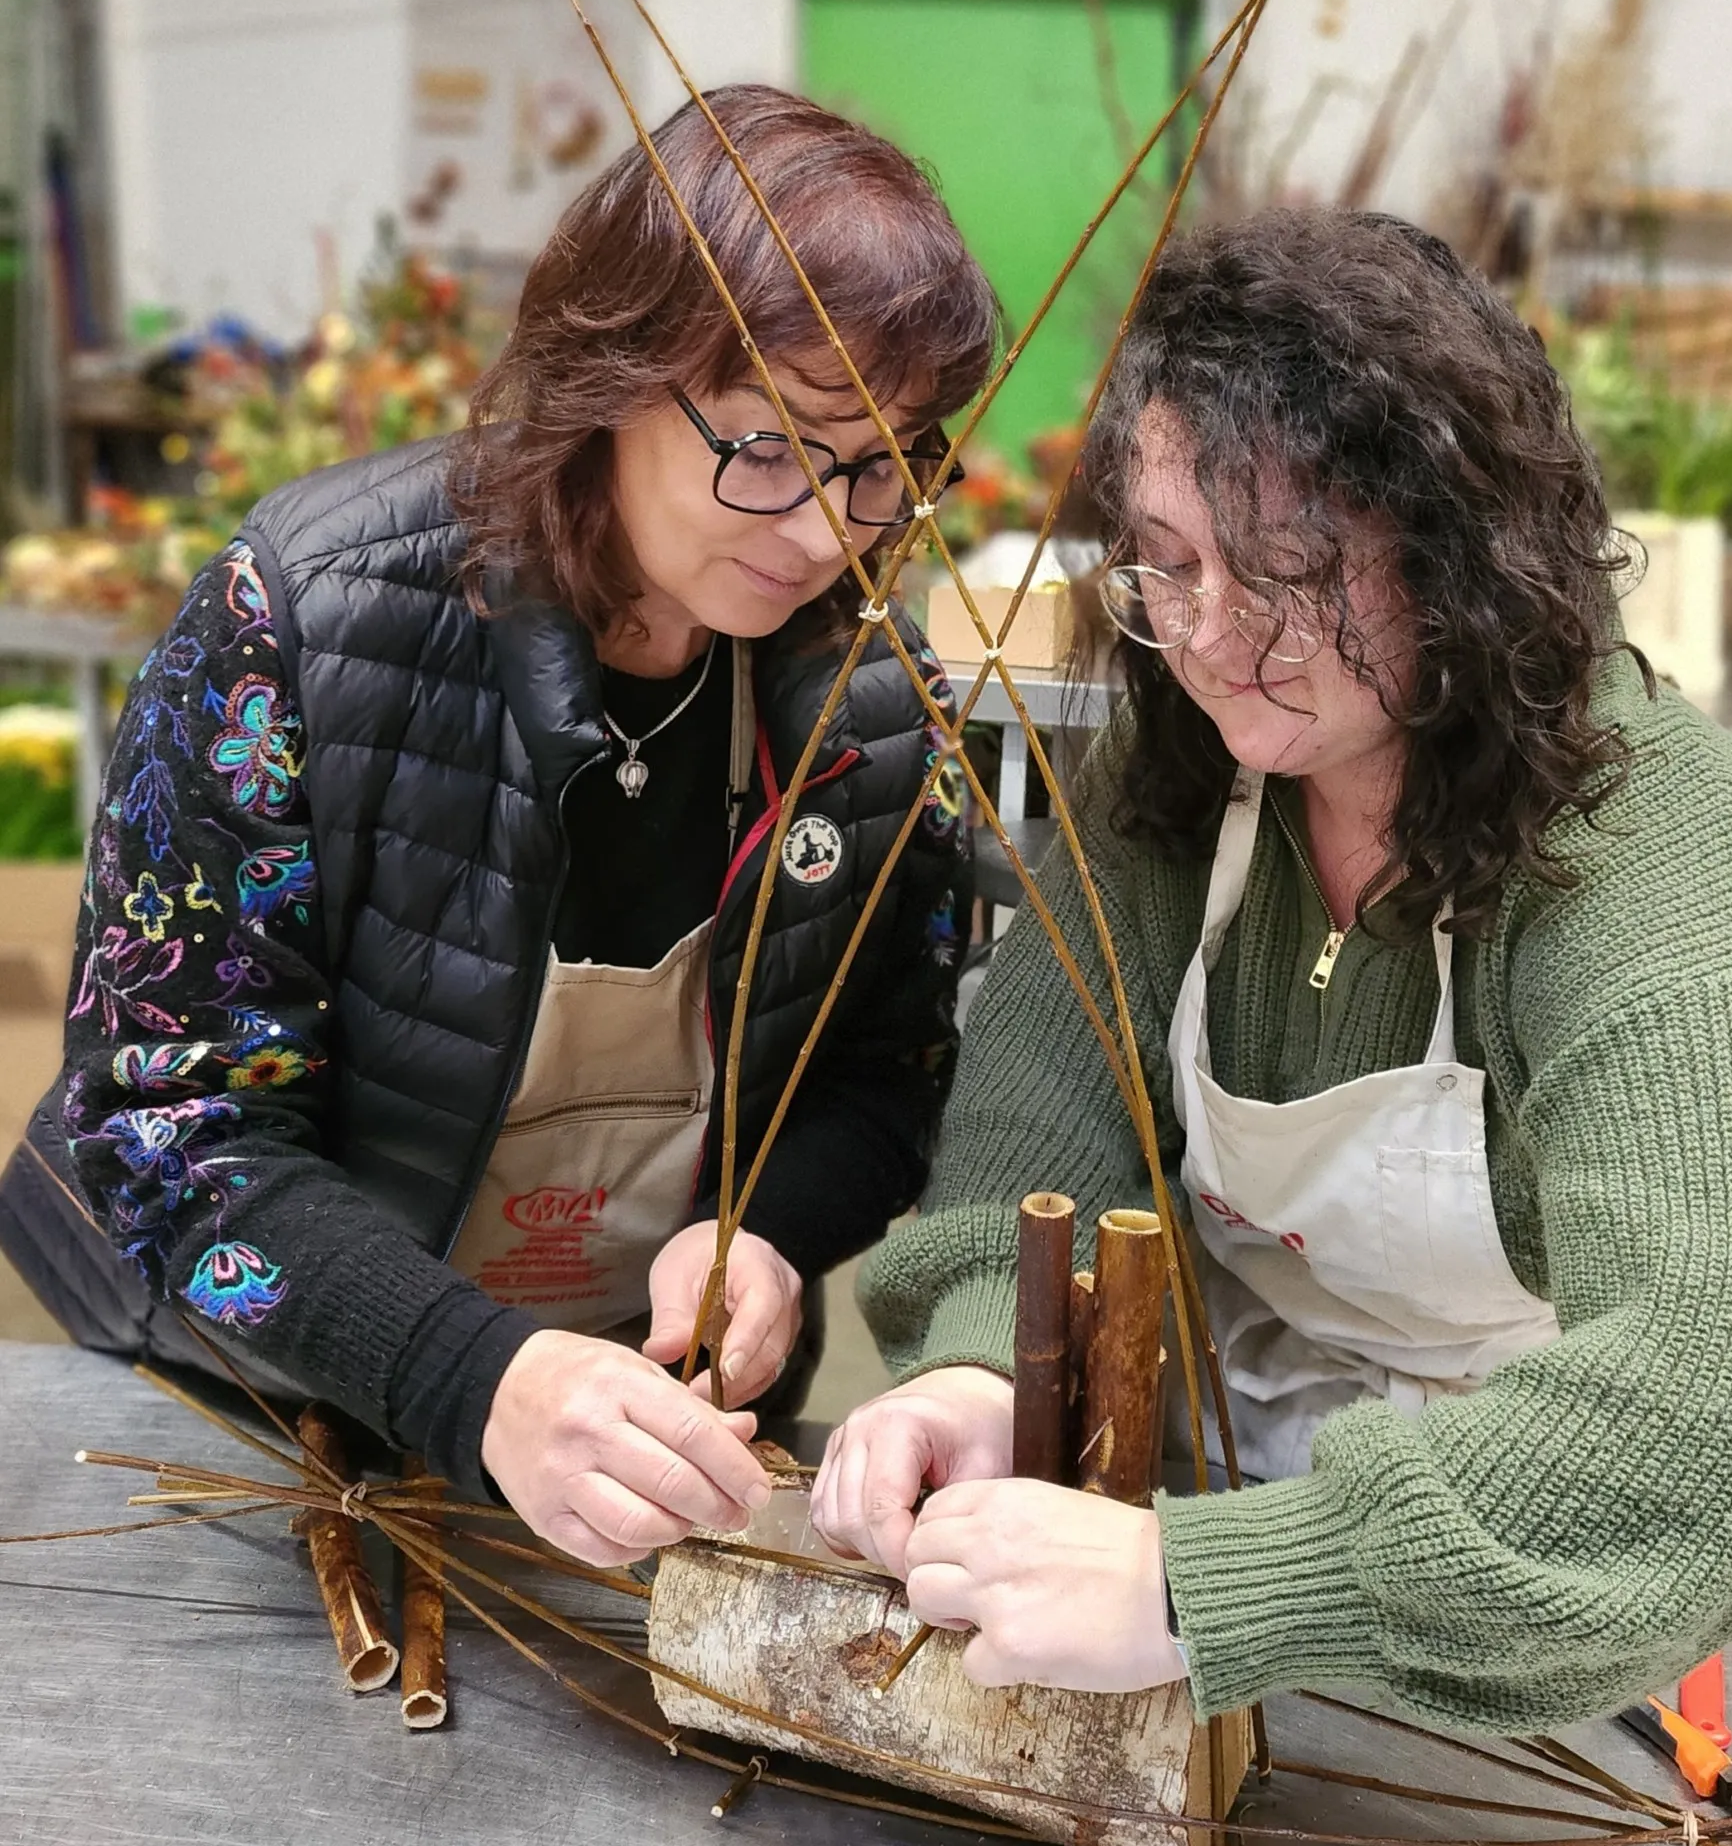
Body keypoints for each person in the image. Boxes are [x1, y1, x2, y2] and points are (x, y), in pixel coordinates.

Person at [810, 206, 1732, 1732]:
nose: (1219, 639)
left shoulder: (1654, 859)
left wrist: (1206, 1587)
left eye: (1290, 570)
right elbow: (1033, 1144)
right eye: (1168, 566)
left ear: (1461, 555)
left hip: (1522, 1600)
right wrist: (984, 1376)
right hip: (1180, 1516)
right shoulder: (1185, 787)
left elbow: (1716, 1406)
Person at [2, 85, 994, 1570]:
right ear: (612, 372)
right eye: (770, 450)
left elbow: (886, 1070)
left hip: (644, 1452)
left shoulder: (868, 697)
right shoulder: (306, 621)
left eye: (882, 466)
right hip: (255, 1419)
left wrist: (770, 1236)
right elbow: (168, 1124)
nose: (824, 531)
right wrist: (476, 1375)